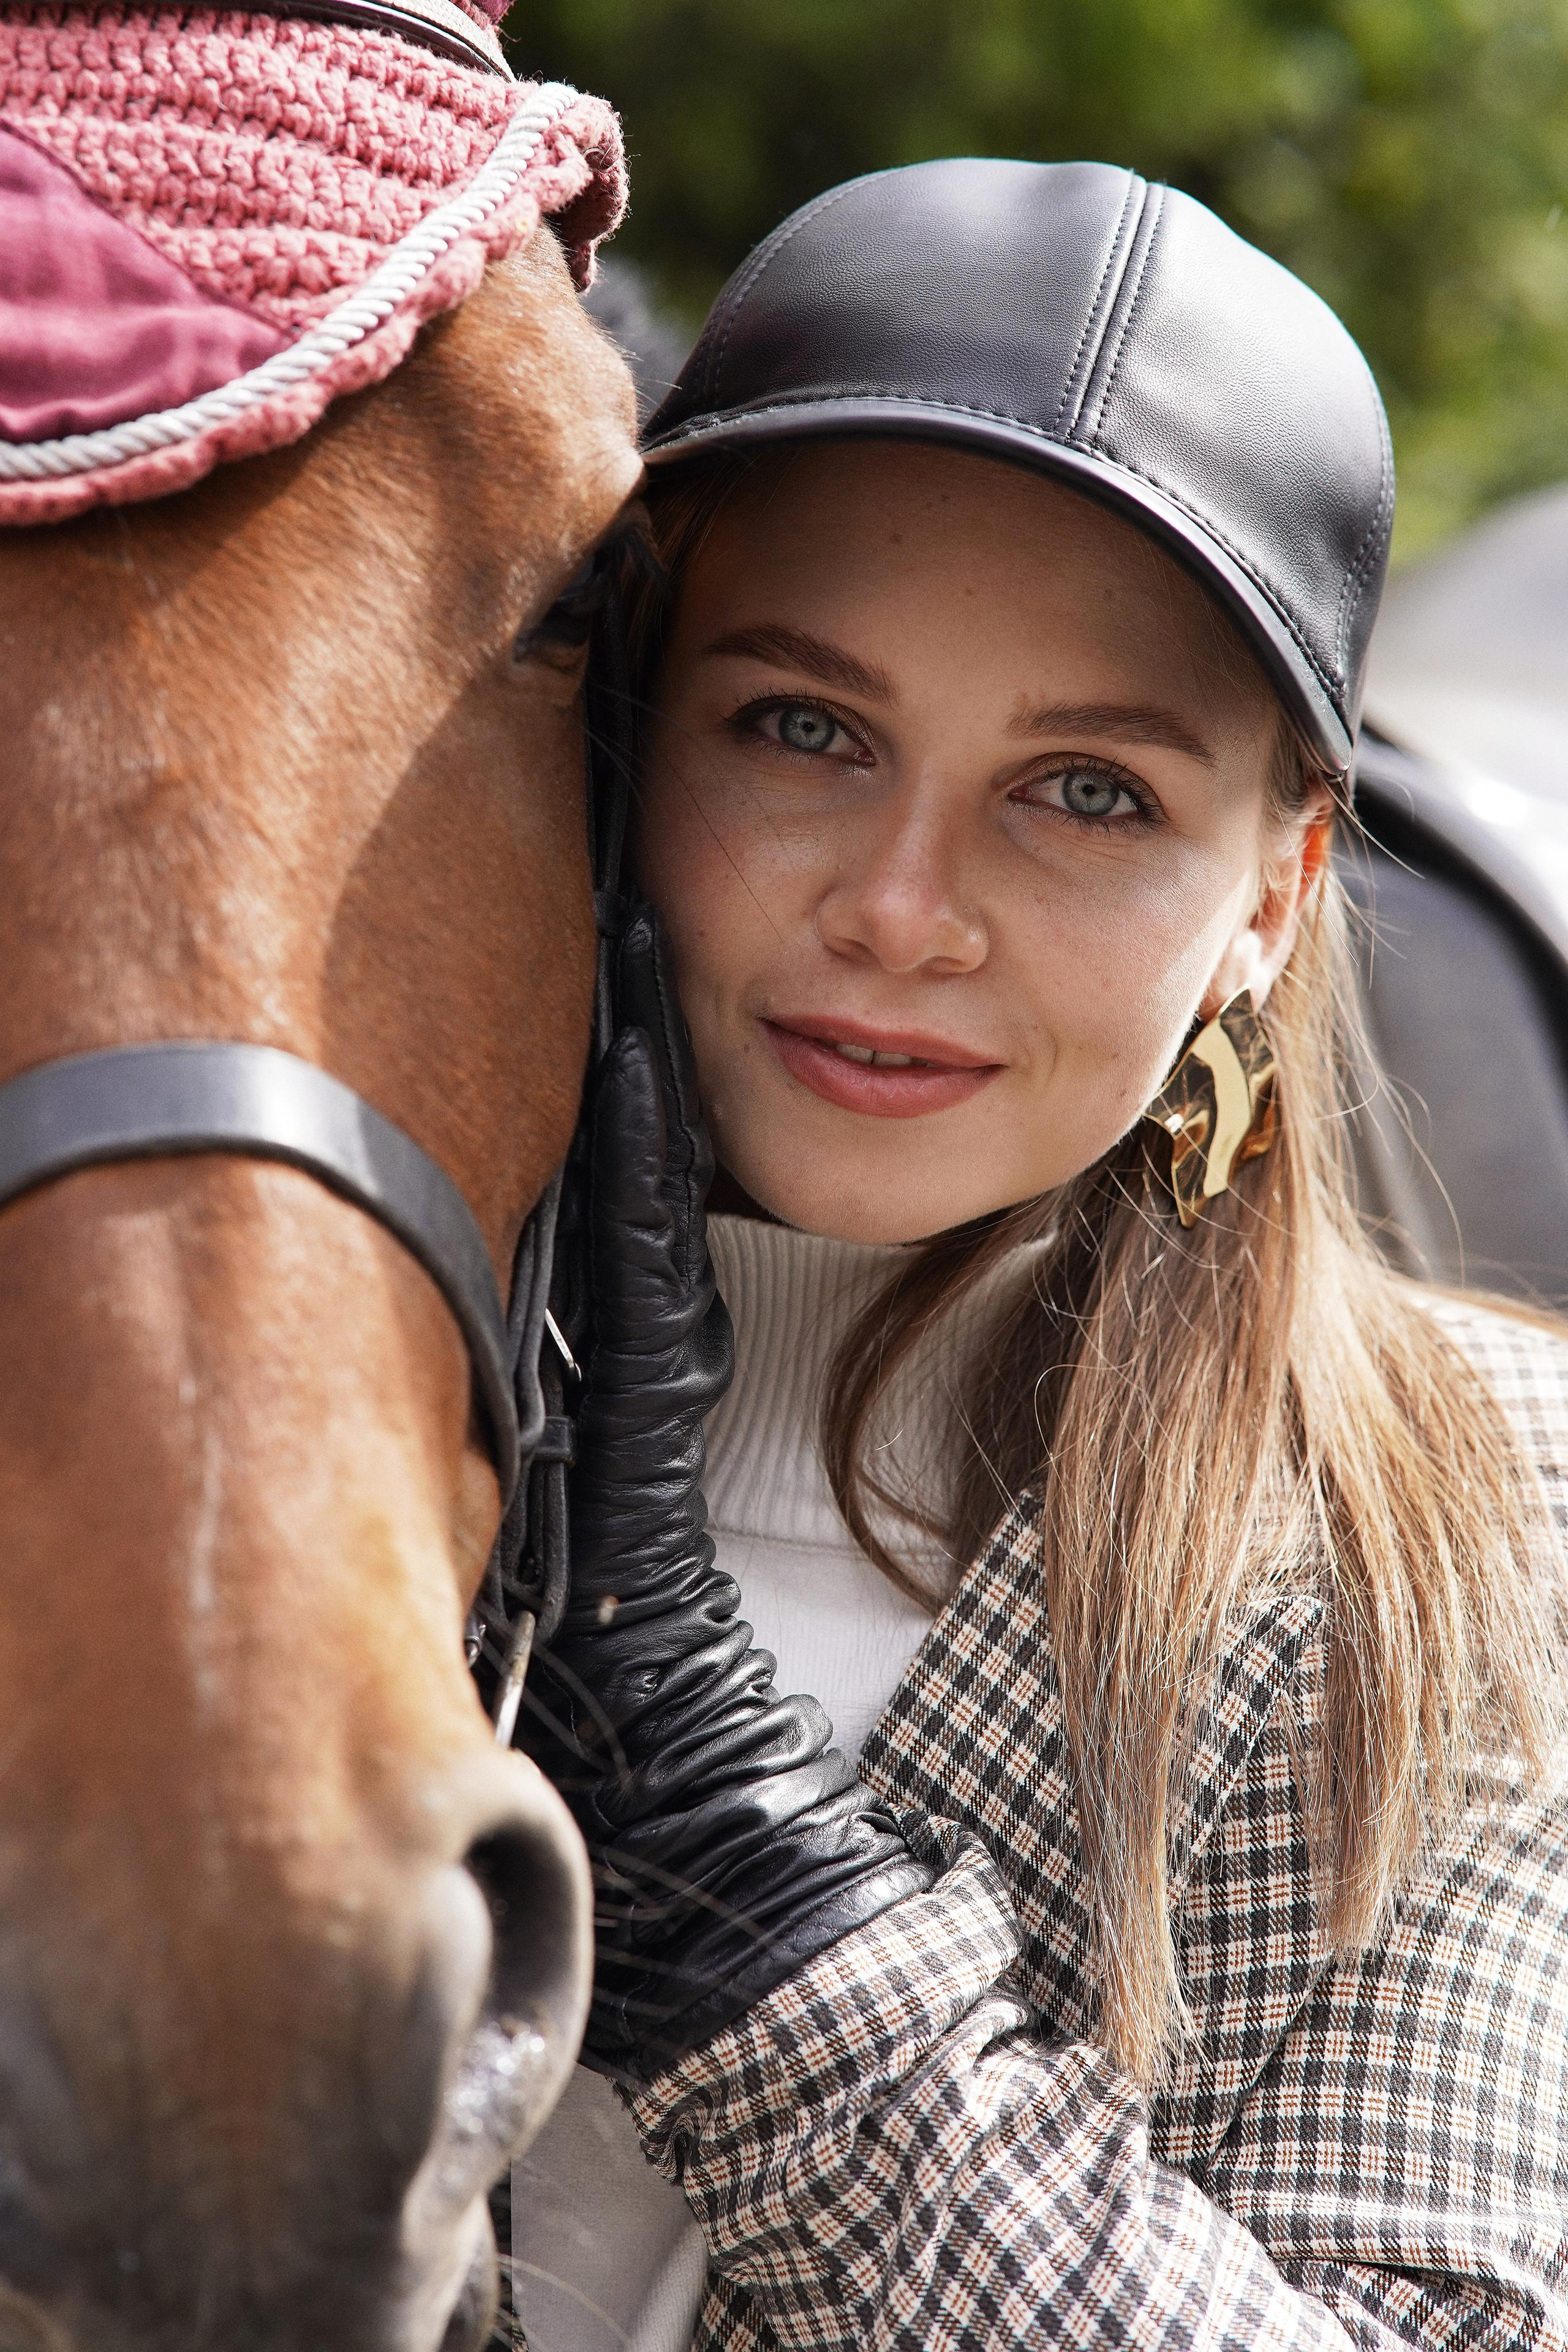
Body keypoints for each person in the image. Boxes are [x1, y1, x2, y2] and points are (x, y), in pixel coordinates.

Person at [511, 160, 1568, 2352]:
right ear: (624, 726)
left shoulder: (1482, 1543)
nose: (905, 906)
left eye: (1085, 790)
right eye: (803, 726)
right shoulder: (252, 1342)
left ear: (1271, 897)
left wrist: (746, 1897)